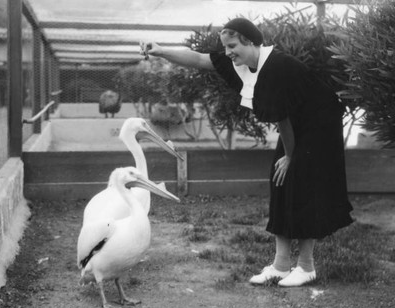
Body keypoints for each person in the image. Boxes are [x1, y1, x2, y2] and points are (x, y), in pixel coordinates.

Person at [140, 17, 354, 287]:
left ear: (250, 42)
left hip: (320, 123)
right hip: (298, 122)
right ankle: (281, 265)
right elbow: (198, 59)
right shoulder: (243, 64)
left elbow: (283, 120)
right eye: (226, 47)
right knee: (281, 182)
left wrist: (290, 156)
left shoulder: (275, 67)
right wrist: (160, 49)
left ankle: (306, 266)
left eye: (232, 46)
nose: (228, 53)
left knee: (302, 185)